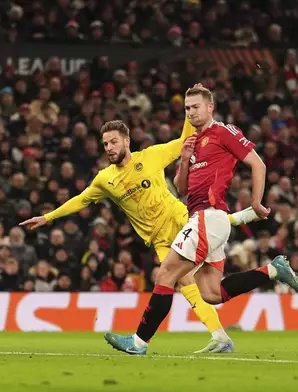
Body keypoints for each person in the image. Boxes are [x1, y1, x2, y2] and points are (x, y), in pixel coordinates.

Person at [20, 113, 260, 353]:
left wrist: (189, 115)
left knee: (190, 280)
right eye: (105, 144)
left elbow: (186, 139)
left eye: (113, 142)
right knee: (188, 285)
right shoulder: (105, 179)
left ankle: (146, 342)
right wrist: (48, 217)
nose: (109, 148)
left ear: (126, 141)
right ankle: (220, 336)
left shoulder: (151, 156)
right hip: (159, 240)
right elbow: (81, 200)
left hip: (179, 220)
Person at [102, 84, 298, 355]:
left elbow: (258, 164)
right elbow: (181, 187)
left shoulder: (223, 131)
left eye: (196, 107)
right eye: (186, 109)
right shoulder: (192, 142)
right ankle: (273, 270)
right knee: (211, 293)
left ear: (210, 107)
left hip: (208, 217)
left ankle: (139, 342)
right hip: (203, 218)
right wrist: (184, 159)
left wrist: (255, 202)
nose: (191, 112)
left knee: (166, 274)